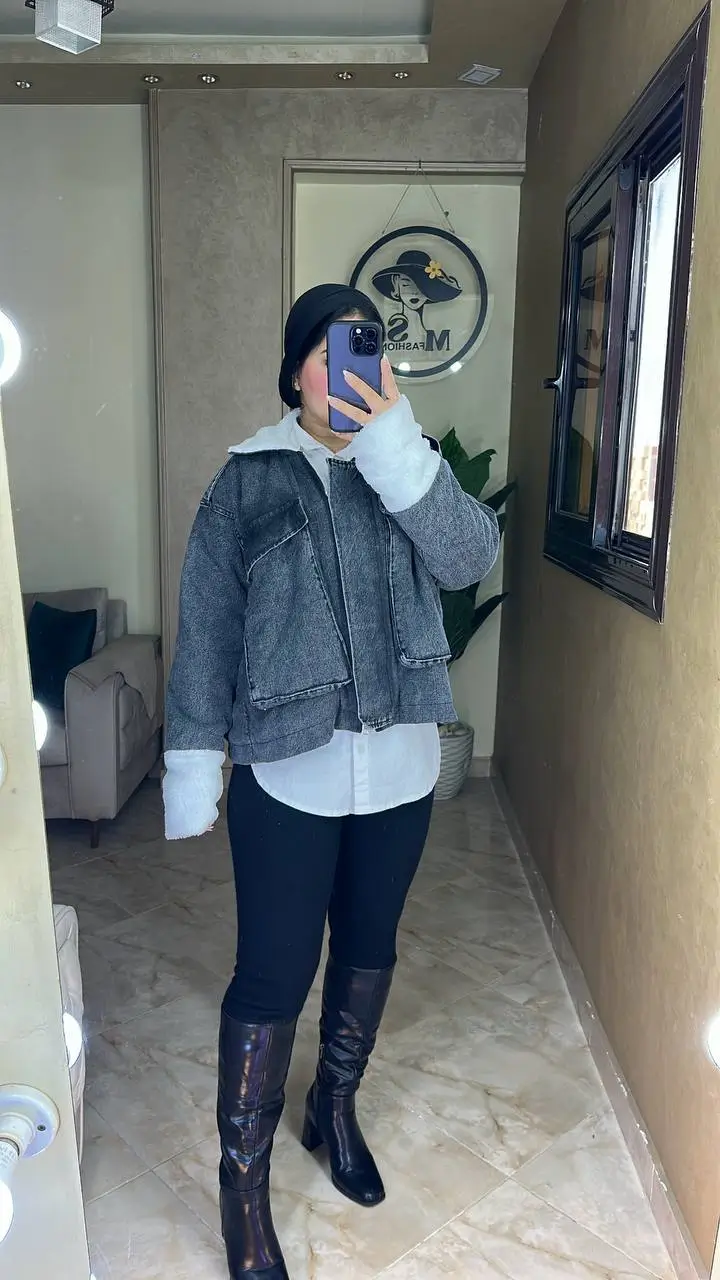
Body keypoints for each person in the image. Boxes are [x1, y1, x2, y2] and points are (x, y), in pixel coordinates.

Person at [162, 283, 500, 1280]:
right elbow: (208, 630)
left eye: (364, 347)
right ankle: (243, 1183)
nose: (347, 366)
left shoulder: (410, 460)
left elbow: (469, 558)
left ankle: (333, 1108)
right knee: (271, 974)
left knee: (368, 946)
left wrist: (395, 448)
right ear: (295, 370)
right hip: (287, 767)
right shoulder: (247, 480)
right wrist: (195, 757)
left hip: (398, 767)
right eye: (327, 348)